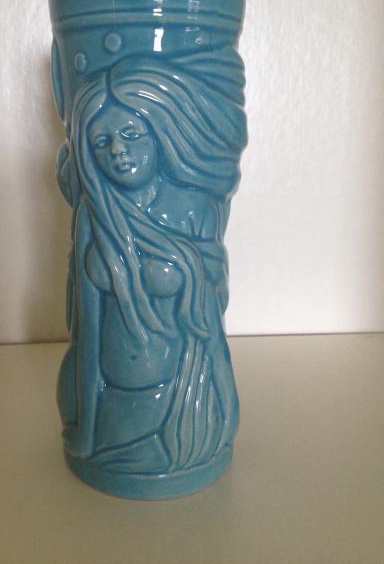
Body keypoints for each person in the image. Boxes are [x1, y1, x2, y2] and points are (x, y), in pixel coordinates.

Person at [56, 48, 247, 475]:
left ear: (160, 133)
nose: (118, 150)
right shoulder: (93, 215)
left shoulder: (193, 208)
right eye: (101, 141)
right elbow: (87, 333)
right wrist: (87, 429)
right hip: (110, 407)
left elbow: (209, 328)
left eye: (132, 134)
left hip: (181, 399)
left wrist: (228, 406)